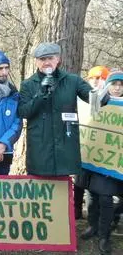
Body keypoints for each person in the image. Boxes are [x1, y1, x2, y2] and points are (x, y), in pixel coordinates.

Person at [18, 42, 102, 176]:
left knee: (63, 193)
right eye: (42, 59)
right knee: (41, 194)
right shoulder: (27, 85)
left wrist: (105, 94)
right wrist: (41, 93)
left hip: (65, 150)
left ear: (58, 59)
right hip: (40, 152)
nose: (46, 62)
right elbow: (23, 112)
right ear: (36, 62)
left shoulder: (72, 80)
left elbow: (93, 97)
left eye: (50, 58)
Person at [77, 71, 123, 254]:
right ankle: (92, 225)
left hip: (113, 161)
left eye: (121, 84)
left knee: (106, 198)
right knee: (91, 195)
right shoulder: (96, 101)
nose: (117, 87)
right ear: (108, 85)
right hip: (92, 157)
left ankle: (104, 235)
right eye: (114, 84)